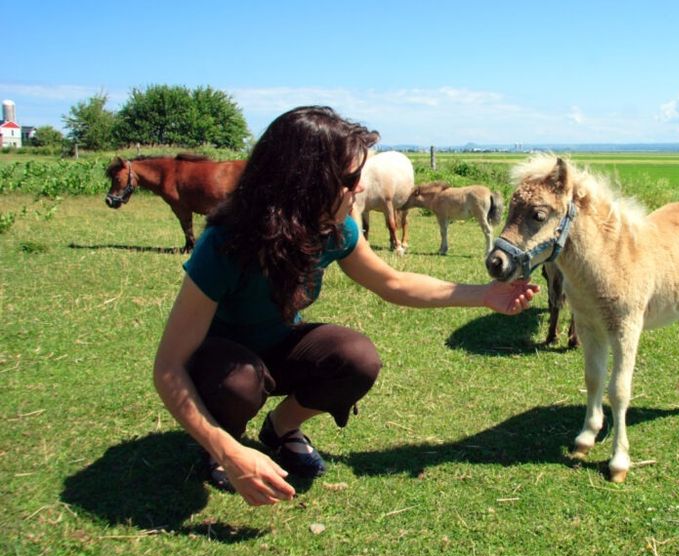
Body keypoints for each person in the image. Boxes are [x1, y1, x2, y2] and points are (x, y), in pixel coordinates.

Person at [153, 106, 539, 506]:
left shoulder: (335, 228)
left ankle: (280, 429)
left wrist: (483, 294)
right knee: (239, 382)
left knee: (356, 358)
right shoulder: (224, 243)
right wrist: (226, 449)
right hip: (220, 366)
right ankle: (224, 442)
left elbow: (394, 282)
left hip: (275, 347)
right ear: (306, 183)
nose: (360, 189)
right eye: (352, 179)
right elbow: (168, 368)